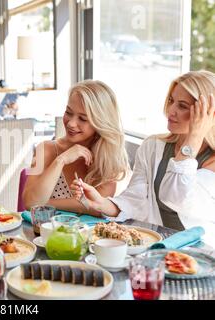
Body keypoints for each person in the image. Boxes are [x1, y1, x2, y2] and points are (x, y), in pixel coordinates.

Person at [71, 70, 215, 246]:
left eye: (182, 106)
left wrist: (195, 136)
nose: (171, 110)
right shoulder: (152, 146)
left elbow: (177, 197)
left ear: (207, 114)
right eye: (171, 100)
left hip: (201, 253)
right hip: (157, 246)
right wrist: (102, 203)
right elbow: (136, 198)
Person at [23, 80, 130, 214]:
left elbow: (97, 209)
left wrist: (45, 203)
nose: (71, 123)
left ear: (101, 122)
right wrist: (61, 160)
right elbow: (29, 202)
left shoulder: (107, 160)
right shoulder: (44, 149)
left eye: (83, 119)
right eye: (68, 112)